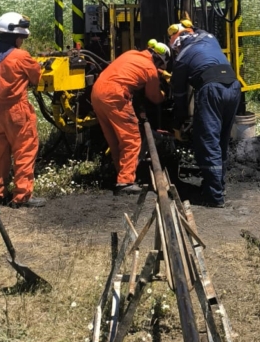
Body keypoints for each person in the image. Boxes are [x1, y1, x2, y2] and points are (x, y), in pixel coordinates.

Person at [168, 22, 241, 208]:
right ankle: (218, 186)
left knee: (208, 141)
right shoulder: (209, 38)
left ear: (177, 44)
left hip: (211, 89)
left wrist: (178, 122)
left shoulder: (182, 57)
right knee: (222, 139)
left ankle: (214, 197)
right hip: (233, 86)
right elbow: (197, 31)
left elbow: (179, 95)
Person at [0, 12, 45, 208]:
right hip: (16, 110)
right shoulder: (20, 56)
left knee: (0, 151)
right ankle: (22, 196)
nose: (22, 41)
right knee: (24, 150)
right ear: (15, 37)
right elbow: (36, 78)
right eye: (21, 38)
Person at [91, 40, 170, 195]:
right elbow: (154, 97)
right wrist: (164, 94)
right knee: (131, 139)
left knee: (115, 139)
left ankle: (119, 174)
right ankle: (125, 181)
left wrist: (159, 73)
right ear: (160, 60)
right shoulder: (150, 69)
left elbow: (132, 70)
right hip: (116, 95)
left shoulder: (131, 54)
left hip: (98, 93)